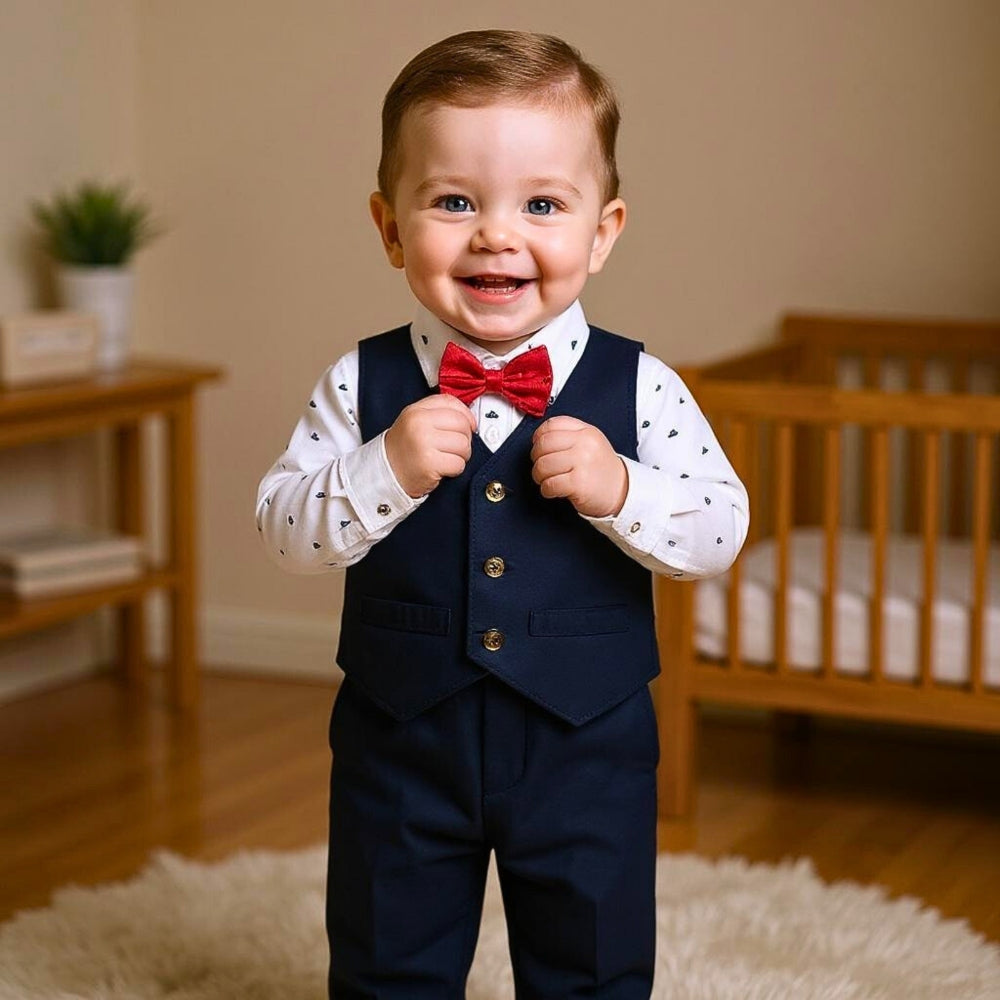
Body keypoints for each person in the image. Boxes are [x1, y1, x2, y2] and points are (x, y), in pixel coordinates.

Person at [256, 28, 748, 999]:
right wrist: (382, 467)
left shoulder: (641, 386)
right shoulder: (361, 384)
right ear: (389, 226)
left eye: (541, 204)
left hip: (586, 739)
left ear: (601, 231)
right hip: (402, 736)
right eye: (452, 201)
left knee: (593, 954)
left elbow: (717, 529)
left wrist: (622, 488)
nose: (495, 232)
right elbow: (282, 529)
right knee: (385, 948)